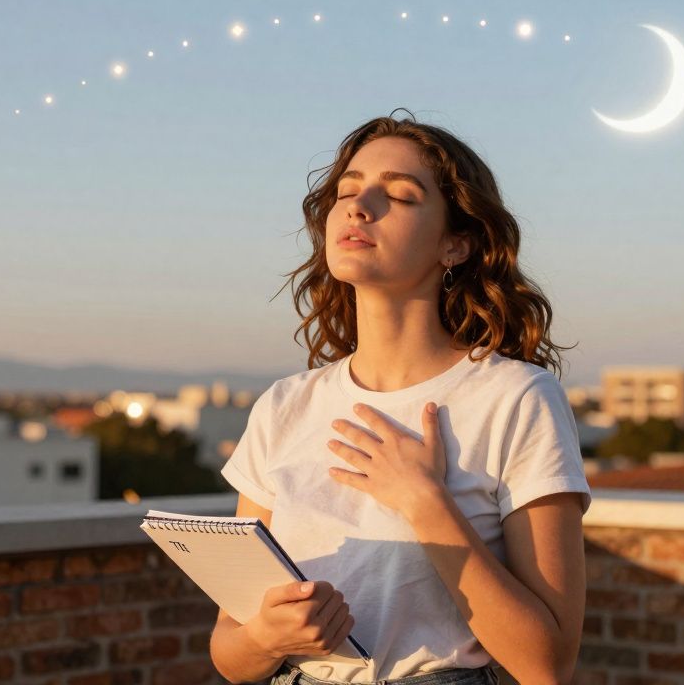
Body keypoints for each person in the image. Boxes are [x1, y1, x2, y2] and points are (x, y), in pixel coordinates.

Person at [211, 109, 591, 685]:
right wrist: (268, 637)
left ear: (456, 245)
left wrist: (424, 502)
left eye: (402, 196)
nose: (359, 206)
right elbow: (229, 654)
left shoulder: (514, 398)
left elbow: (548, 664)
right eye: (348, 190)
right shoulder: (285, 406)